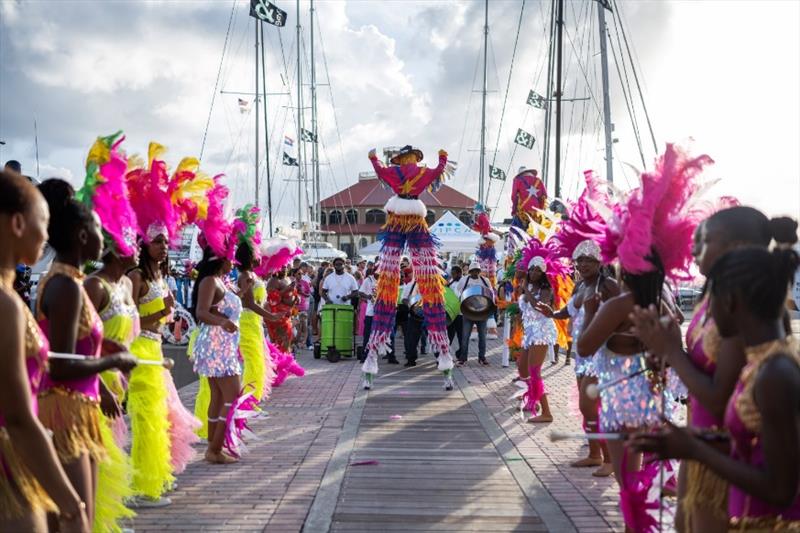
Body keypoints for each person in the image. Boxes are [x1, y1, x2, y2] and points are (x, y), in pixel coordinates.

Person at [630, 206, 797, 532]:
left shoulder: (771, 363)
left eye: (705, 241)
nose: (694, 249)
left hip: (741, 484)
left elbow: (779, 484)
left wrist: (673, 353)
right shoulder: (750, 335)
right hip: (713, 446)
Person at [35, 179, 138, 527]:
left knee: (78, 517)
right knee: (76, 520)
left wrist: (102, 345)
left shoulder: (70, 282)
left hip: (78, 408)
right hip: (66, 411)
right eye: (97, 227)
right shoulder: (66, 285)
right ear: (81, 235)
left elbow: (64, 342)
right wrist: (114, 362)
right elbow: (58, 365)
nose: (103, 238)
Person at [0, 171, 89, 533]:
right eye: (44, 223)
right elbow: (19, 418)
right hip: (10, 469)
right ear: (18, 223)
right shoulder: (5, 304)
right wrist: (70, 506)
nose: (47, 236)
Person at [538, 240, 617, 475]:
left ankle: (610, 459)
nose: (582, 264)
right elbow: (569, 311)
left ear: (599, 261)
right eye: (579, 259)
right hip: (582, 355)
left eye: (587, 259)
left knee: (590, 406)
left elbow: (622, 311)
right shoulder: (580, 286)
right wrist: (552, 313)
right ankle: (594, 454)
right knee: (588, 410)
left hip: (602, 354)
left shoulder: (609, 285)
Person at [190, 247, 243, 464]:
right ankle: (214, 449)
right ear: (220, 260)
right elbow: (200, 312)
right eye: (230, 258)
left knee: (219, 396)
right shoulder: (210, 281)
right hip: (216, 344)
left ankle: (214, 446)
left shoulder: (220, 281)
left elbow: (219, 307)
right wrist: (222, 321)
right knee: (232, 395)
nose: (234, 263)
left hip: (222, 343)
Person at [518, 255, 558, 423]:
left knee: (535, 371)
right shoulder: (528, 286)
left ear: (543, 273)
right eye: (532, 269)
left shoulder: (545, 290)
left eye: (538, 270)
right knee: (522, 369)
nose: (534, 272)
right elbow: (525, 309)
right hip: (530, 332)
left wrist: (526, 289)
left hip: (542, 332)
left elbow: (538, 307)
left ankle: (547, 412)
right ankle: (532, 400)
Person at [455, 262, 493, 366]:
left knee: (482, 337)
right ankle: (463, 358)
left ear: (479, 271)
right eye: (473, 271)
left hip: (482, 311)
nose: (475, 273)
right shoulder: (464, 280)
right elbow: (458, 291)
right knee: (465, 336)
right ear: (470, 271)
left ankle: (482, 357)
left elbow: (491, 293)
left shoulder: (485, 281)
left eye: (477, 270)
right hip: (468, 311)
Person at [446, 265, 464, 361]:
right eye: (452, 274)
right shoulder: (450, 283)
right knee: (449, 335)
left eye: (454, 274)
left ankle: (461, 354)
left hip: (461, 314)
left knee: (461, 335)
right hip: (451, 313)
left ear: (459, 273)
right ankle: (446, 353)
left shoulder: (464, 281)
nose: (452, 276)